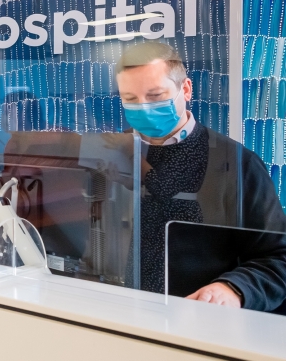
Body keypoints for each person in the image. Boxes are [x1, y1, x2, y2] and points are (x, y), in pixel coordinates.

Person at [116, 42, 286, 310]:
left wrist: (233, 289)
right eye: (131, 99)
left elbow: (278, 258)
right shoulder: (110, 154)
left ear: (185, 89)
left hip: (197, 325)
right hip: (114, 317)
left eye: (156, 95)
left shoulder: (238, 164)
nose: (144, 108)